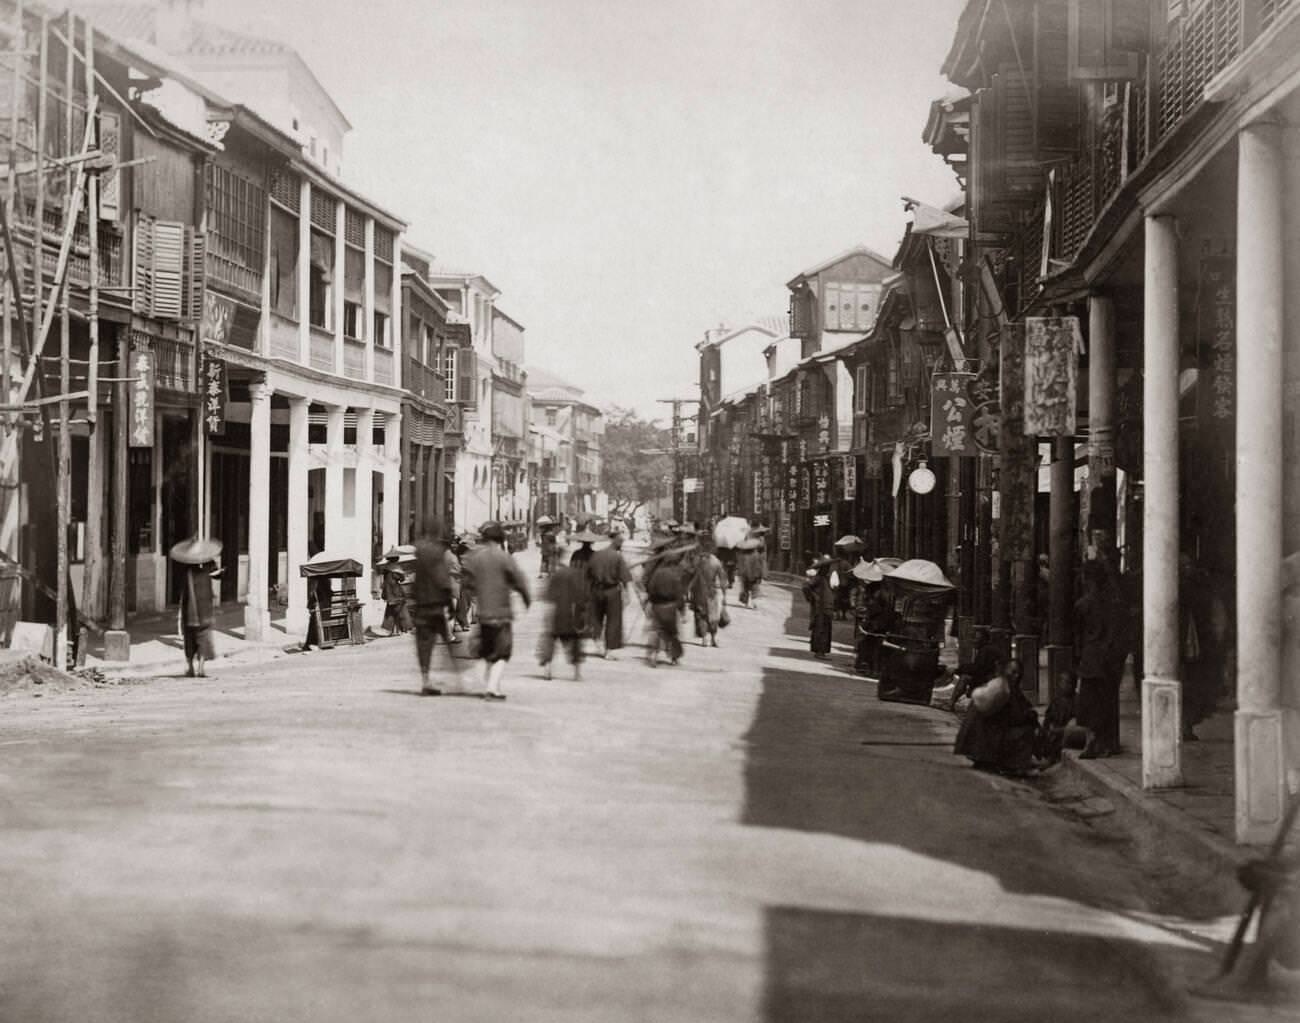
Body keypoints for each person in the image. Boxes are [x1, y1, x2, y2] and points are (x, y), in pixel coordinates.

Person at [462, 521, 531, 701]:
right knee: (502, 653)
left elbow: (467, 581)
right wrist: (526, 599)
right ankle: (492, 688)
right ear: (500, 539)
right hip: (501, 613)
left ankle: (488, 684)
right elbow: (519, 581)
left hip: (483, 613)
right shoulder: (504, 557)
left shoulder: (475, 558)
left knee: (487, 651)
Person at [953, 658, 1038, 776]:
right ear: (1006, 671)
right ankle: (1013, 765)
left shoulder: (997, 684)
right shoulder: (1004, 688)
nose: (1016, 676)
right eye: (1013, 672)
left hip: (978, 739)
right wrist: (1031, 716)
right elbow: (1016, 716)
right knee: (1026, 731)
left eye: (1018, 673)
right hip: (988, 738)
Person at [1074, 562, 1123, 758]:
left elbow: (1077, 634)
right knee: (1107, 700)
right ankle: (1108, 743)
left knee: (1089, 701)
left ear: (1087, 578)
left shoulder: (1082, 605)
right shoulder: (1114, 603)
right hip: (1110, 659)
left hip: (1091, 658)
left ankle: (1091, 741)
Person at [412, 518, 459, 695]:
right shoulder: (437, 552)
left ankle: (426, 680)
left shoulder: (419, 551)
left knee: (423, 644)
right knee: (447, 641)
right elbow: (441, 579)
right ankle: (458, 678)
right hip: (435, 604)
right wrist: (450, 603)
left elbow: (417, 580)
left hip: (421, 604)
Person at [538, 549, 588, 680]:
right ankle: (577, 673)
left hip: (555, 613)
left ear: (556, 558)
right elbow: (581, 596)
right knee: (575, 643)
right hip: (571, 613)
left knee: (550, 641)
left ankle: (547, 671)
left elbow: (548, 597)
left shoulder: (553, 575)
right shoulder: (575, 574)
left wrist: (546, 618)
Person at [587, 532, 632, 658]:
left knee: (596, 617)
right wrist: (627, 594)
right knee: (614, 620)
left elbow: (588, 575)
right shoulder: (617, 557)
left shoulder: (596, 555)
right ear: (618, 543)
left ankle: (597, 641)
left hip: (596, 590)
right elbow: (625, 577)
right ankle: (609, 650)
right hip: (612, 591)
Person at [643, 546, 686, 667]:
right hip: (671, 608)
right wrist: (682, 610)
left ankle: (653, 656)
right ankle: (674, 658)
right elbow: (679, 594)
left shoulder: (657, 574)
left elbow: (651, 589)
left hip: (657, 607)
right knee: (672, 633)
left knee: (657, 631)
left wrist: (650, 602)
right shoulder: (675, 576)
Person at [179, 560, 217, 677]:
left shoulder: (187, 575)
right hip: (205, 612)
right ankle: (200, 667)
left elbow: (183, 595)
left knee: (189, 640)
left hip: (190, 614)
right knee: (203, 639)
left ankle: (190, 667)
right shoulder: (206, 575)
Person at [1034, 670, 1078, 765]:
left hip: (1065, 732)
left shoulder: (1076, 701)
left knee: (1059, 741)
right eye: (1061, 682)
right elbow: (1048, 717)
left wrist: (1058, 730)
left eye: (1067, 682)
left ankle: (1051, 760)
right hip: (1053, 730)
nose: (1063, 685)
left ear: (1073, 685)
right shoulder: (1056, 700)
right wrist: (1046, 728)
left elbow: (1074, 723)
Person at [690, 542, 729, 648]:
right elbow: (723, 579)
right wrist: (724, 595)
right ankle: (713, 639)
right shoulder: (715, 561)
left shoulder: (696, 560)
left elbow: (689, 575)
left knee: (700, 615)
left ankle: (704, 639)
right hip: (711, 592)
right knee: (713, 616)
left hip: (698, 591)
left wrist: (688, 591)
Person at [803, 556, 836, 660]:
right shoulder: (819, 578)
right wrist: (814, 598)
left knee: (825, 629)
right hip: (821, 608)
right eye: (828, 567)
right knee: (821, 629)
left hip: (826, 608)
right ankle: (819, 651)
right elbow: (806, 587)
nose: (829, 569)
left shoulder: (824, 578)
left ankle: (822, 651)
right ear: (824, 569)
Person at [379, 554, 411, 636]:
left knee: (391, 611)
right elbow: (401, 578)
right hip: (395, 591)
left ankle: (390, 630)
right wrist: (402, 575)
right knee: (401, 610)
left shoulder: (386, 567)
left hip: (388, 592)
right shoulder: (396, 568)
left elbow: (384, 580)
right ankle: (404, 629)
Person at [737, 543, 765, 608]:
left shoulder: (743, 555)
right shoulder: (757, 555)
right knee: (754, 589)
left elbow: (740, 565)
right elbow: (760, 566)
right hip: (754, 575)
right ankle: (754, 602)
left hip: (745, 575)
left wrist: (740, 574)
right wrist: (760, 575)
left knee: (745, 589)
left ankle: (746, 603)